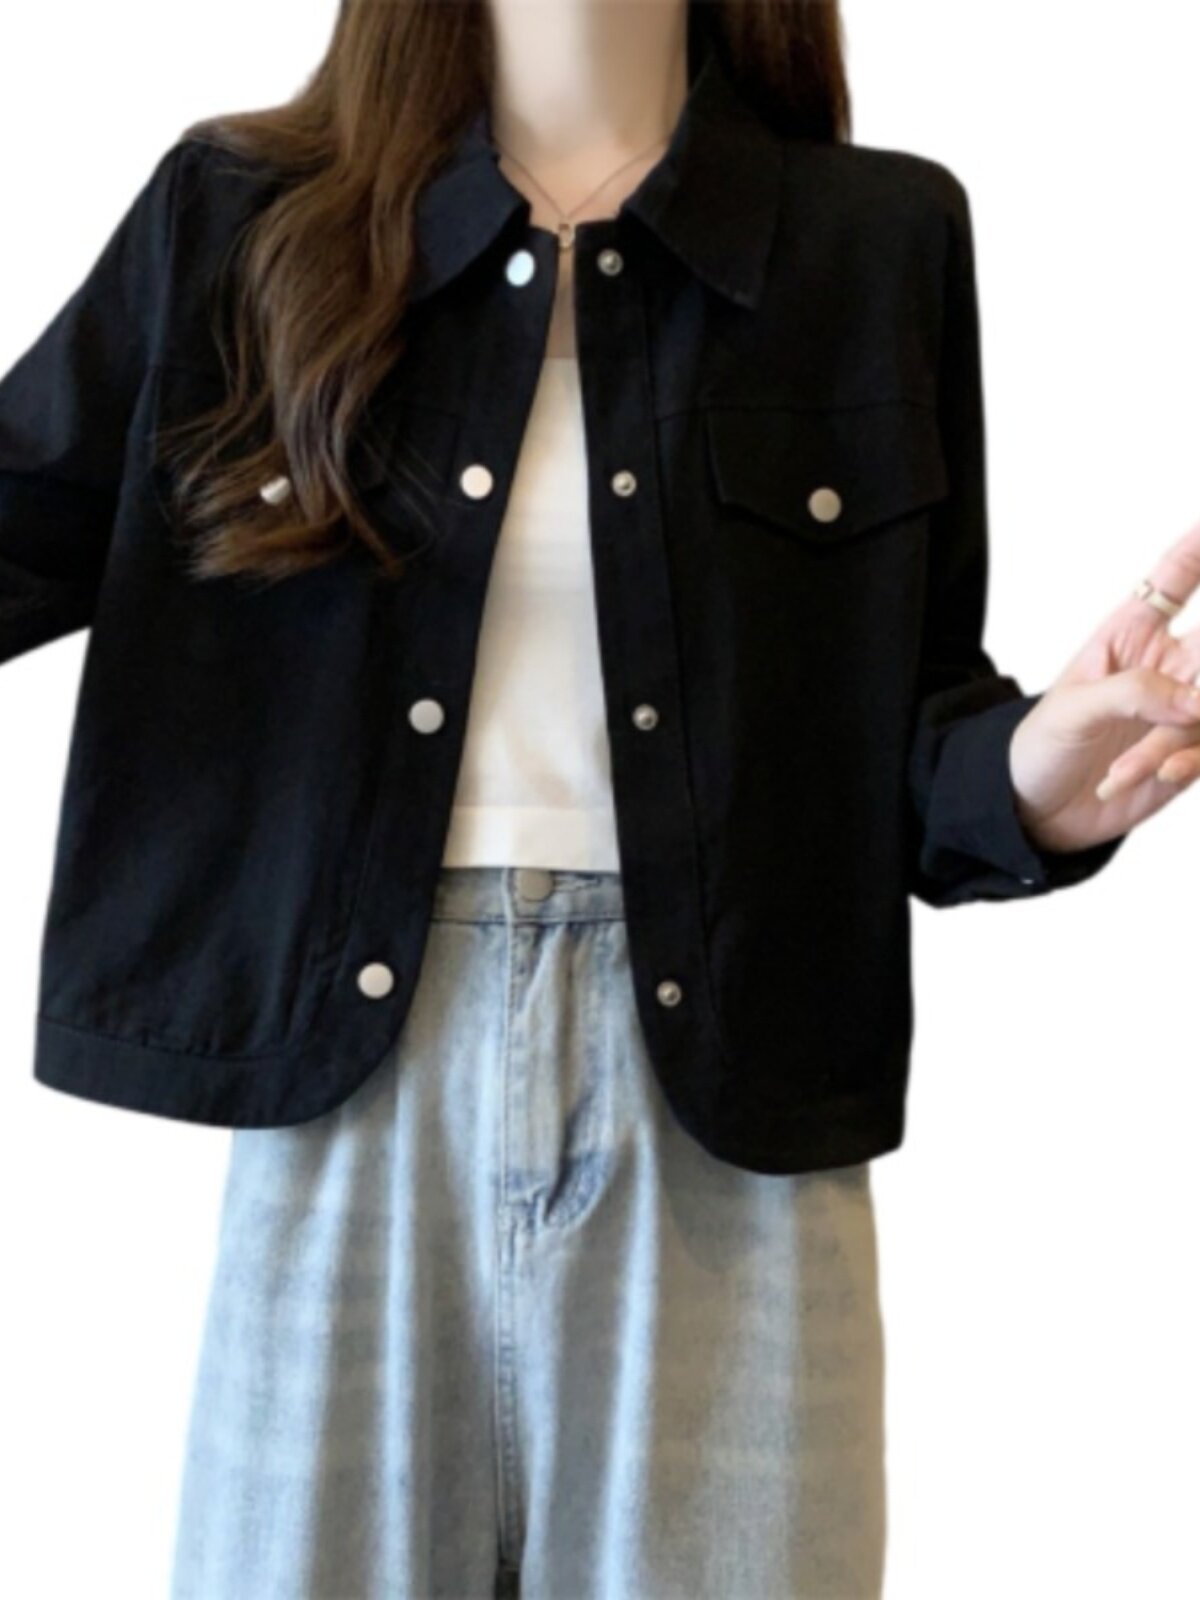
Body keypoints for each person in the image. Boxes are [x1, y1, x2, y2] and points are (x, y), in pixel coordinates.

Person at [2, 2, 1197, 1596]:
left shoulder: (874, 241)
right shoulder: (244, 219)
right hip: (354, 1087)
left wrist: (1038, 779)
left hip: (729, 1110)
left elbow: (902, 723)